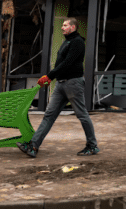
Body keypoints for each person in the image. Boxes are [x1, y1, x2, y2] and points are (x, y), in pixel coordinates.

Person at [16, 17, 100, 158]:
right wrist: (53, 77)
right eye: (62, 25)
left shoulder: (77, 42)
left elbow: (68, 63)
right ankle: (33, 147)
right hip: (61, 84)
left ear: (73, 27)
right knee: (49, 115)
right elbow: (61, 64)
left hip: (73, 83)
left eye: (65, 25)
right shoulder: (66, 42)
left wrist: (49, 76)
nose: (62, 27)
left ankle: (92, 146)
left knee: (82, 115)